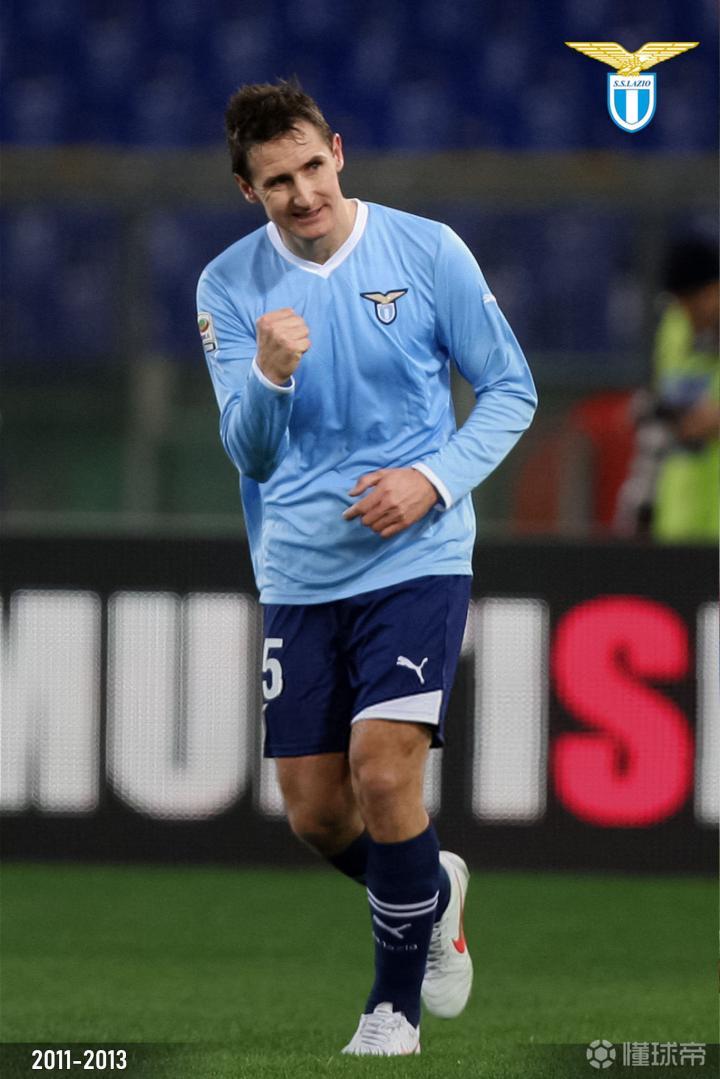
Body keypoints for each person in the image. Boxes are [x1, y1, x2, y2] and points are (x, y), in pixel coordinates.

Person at [196, 80, 537, 1056]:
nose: (304, 193)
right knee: (315, 811)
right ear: (248, 191)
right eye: (277, 181)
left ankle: (393, 1011)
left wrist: (433, 478)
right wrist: (268, 374)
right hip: (300, 571)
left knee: (384, 773)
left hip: (417, 554)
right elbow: (250, 453)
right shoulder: (228, 287)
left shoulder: (427, 251)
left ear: (338, 151)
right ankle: (432, 885)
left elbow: (510, 389)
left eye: (313, 166)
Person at [615, 237, 719, 541]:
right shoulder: (675, 326)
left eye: (692, 299)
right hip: (678, 523)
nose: (685, 310)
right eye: (678, 301)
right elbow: (663, 402)